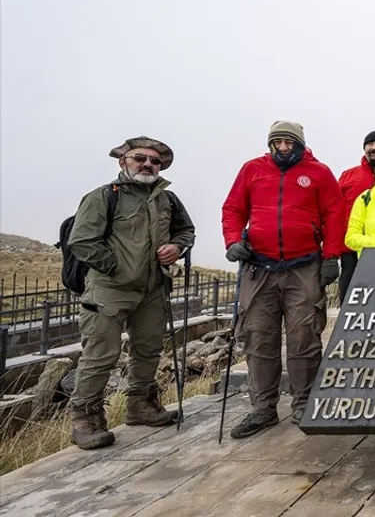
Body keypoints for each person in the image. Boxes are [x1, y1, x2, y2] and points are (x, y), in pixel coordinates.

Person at [65, 136, 196, 449]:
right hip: (109, 289)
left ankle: (141, 405)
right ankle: (85, 417)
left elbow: (186, 231)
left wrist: (175, 248)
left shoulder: (169, 199)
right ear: (123, 161)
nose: (148, 164)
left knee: (148, 349)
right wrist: (116, 267)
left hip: (153, 289)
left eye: (154, 160)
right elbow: (82, 240)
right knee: (100, 355)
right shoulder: (102, 197)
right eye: (140, 158)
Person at [221, 121, 346, 436]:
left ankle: (305, 403)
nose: (284, 147)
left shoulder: (319, 173)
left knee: (304, 336)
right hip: (259, 267)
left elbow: (335, 213)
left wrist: (331, 256)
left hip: (304, 265)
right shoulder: (252, 170)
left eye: (290, 142)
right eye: (278, 142)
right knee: (258, 337)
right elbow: (233, 208)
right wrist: (233, 240)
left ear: (300, 144)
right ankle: (263, 409)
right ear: (270, 144)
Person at [335, 130, 375, 310]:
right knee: (351, 302)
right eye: (370, 144)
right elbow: (334, 212)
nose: (374, 148)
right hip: (351, 250)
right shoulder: (348, 176)